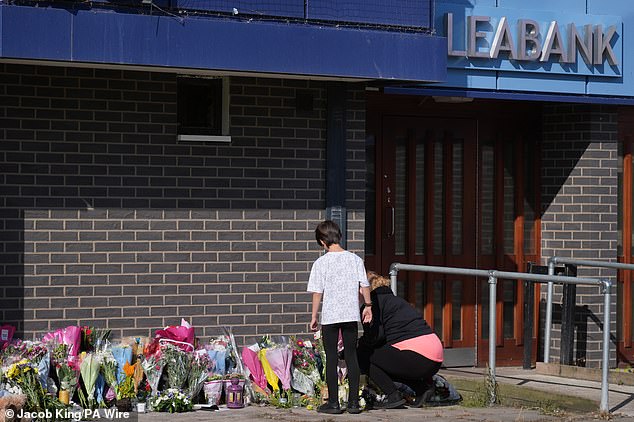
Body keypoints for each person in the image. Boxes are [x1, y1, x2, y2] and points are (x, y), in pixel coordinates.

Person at [307, 220, 373, 414]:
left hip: (330, 317)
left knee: (331, 359)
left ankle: (333, 403)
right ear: (339, 236)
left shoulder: (321, 263)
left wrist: (313, 316)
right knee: (351, 356)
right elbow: (365, 285)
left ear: (322, 241)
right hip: (350, 314)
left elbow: (317, 292)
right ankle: (353, 403)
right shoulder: (355, 259)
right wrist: (368, 306)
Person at [358, 271, 443, 409]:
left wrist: (357, 344)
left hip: (418, 357)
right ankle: (422, 388)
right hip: (435, 358)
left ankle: (393, 396)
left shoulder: (372, 305)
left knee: (364, 354)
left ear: (365, 289)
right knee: (388, 360)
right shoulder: (396, 300)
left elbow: (375, 339)